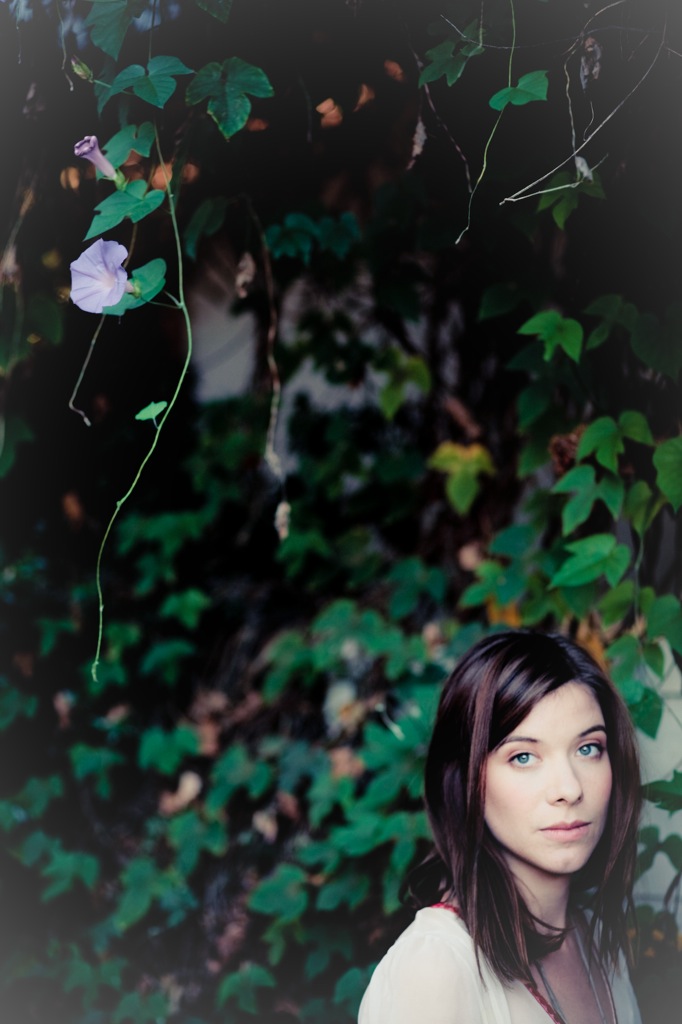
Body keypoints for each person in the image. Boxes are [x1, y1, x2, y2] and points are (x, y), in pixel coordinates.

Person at [358, 630, 642, 1024]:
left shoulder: (596, 941)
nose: (569, 789)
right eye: (523, 757)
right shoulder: (434, 969)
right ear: (466, 780)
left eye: (588, 749)